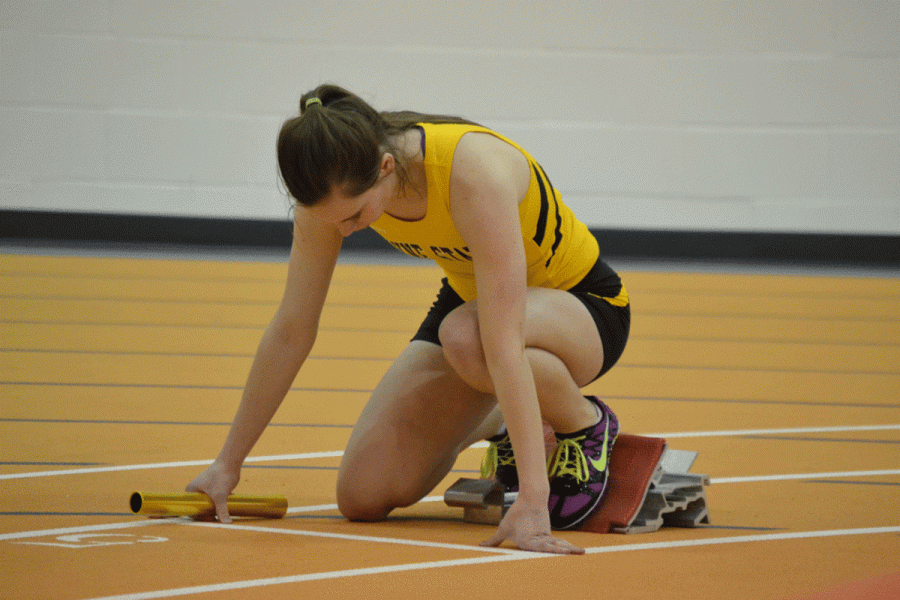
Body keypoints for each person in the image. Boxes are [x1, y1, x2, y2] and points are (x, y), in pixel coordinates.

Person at [186, 84, 630, 555]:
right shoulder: (328, 192)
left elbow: (503, 340)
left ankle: (584, 424)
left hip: (583, 307)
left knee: (465, 336)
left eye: (356, 215)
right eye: (333, 219)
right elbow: (293, 328)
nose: (344, 230)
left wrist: (534, 504)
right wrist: (227, 463)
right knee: (361, 494)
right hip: (476, 312)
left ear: (386, 167)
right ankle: (503, 421)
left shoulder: (472, 172)